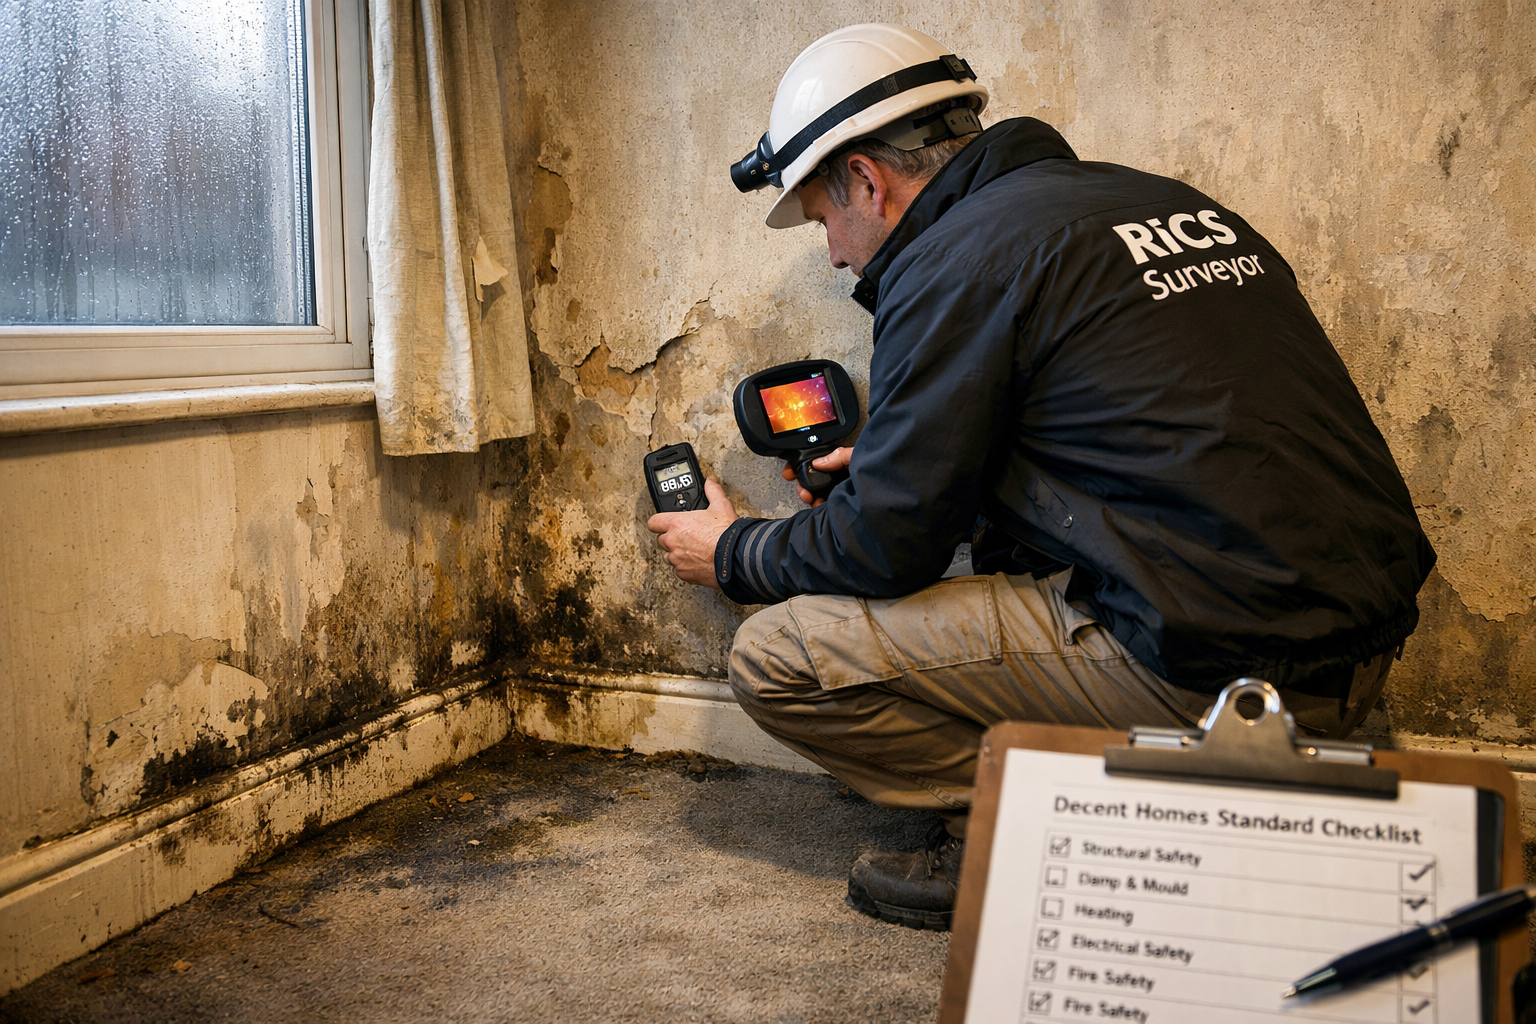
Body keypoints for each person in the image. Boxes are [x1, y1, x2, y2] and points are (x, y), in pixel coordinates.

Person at [647, 24, 1434, 931]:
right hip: (1352, 649)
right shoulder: (1151, 201)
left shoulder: (955, 261)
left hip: (1220, 669)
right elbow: (1154, 439)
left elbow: (883, 546)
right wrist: (912, 455)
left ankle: (1055, 840)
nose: (834, 254)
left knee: (779, 658)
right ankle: (1208, 786)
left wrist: (733, 550)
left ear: (867, 177)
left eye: (825, 218)